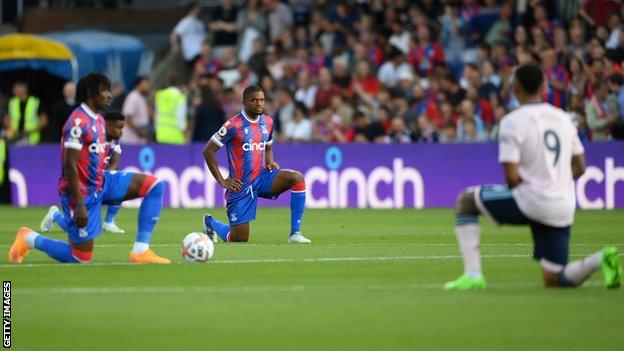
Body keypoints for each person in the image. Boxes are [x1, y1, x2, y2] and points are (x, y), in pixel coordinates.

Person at [444, 64, 622, 291]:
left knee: (466, 201)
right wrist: (554, 184)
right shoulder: (563, 118)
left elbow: (511, 176)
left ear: (515, 87)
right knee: (554, 279)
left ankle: (473, 275)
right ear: (544, 87)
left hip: (532, 200)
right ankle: (601, 258)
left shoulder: (512, 121)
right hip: (562, 205)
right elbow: (580, 166)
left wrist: (527, 195)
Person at [8, 73, 170, 264]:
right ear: (91, 93)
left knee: (155, 186)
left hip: (102, 182)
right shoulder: (77, 123)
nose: (109, 95)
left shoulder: (100, 121)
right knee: (80, 257)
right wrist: (79, 204)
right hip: (81, 193)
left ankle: (140, 252)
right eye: (105, 90)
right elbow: (69, 164)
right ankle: (28, 238)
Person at [201, 85, 311, 244]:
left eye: (262, 100)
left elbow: (268, 146)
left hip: (262, 177)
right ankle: (209, 222)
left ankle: (295, 233)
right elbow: (208, 151)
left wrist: (269, 162)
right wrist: (222, 181)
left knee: (297, 178)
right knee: (239, 239)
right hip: (241, 186)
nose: (259, 103)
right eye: (254, 100)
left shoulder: (268, 121)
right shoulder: (233, 125)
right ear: (244, 102)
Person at [40, 110, 128, 235]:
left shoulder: (114, 141)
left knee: (120, 181)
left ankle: (109, 222)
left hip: (96, 182)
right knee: (78, 230)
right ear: (108, 125)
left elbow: (115, 163)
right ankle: (55, 214)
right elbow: (73, 164)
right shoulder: (91, 137)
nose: (121, 131)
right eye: (119, 127)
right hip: (75, 185)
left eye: (122, 128)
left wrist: (102, 179)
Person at [6, 81, 48, 145]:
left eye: (16, 87)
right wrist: (11, 129)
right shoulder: (12, 102)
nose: (13, 89)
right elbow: (7, 118)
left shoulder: (35, 102)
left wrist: (30, 131)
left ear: (23, 89)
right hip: (15, 138)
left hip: (31, 139)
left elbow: (44, 121)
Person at [154, 75, 188, 144]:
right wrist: (184, 134)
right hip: (176, 136)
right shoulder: (180, 97)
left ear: (168, 82)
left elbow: (156, 113)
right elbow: (180, 116)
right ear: (179, 83)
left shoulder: (159, 94)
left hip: (161, 135)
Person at [121, 76, 151, 144]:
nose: (147, 86)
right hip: (131, 140)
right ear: (139, 84)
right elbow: (128, 119)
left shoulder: (141, 97)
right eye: (146, 83)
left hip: (139, 140)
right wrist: (139, 132)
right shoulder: (133, 97)